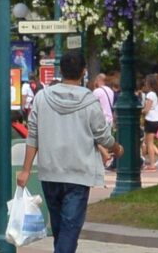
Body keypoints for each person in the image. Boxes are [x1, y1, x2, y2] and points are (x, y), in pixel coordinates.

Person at [19, 52, 120, 253]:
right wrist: (116, 148)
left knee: (60, 228)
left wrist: (26, 170)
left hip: (50, 171)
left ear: (61, 71)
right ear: (84, 72)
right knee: (70, 228)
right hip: (78, 172)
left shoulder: (42, 97)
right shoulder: (90, 100)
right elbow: (103, 135)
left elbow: (33, 135)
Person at [139, 76, 158, 169]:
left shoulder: (150, 94)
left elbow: (147, 109)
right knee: (150, 142)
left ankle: (152, 165)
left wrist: (141, 111)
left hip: (150, 119)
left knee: (149, 143)